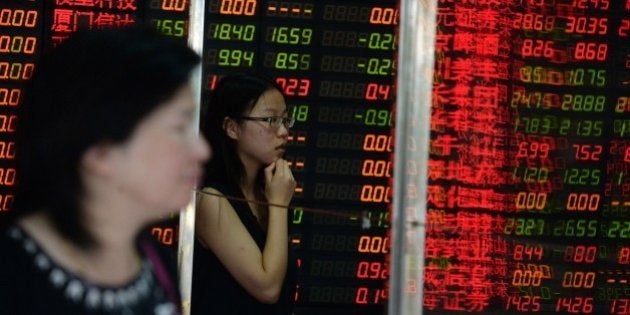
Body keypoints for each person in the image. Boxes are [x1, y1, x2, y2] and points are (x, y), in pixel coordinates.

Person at [0, 26, 211, 314]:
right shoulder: (12, 277)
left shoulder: (156, 264)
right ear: (99, 151)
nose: (202, 150)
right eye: (179, 128)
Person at [192, 73, 297, 315]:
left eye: (285, 120)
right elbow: (267, 288)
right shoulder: (212, 199)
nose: (283, 132)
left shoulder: (267, 193)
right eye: (271, 119)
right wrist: (279, 206)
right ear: (232, 128)